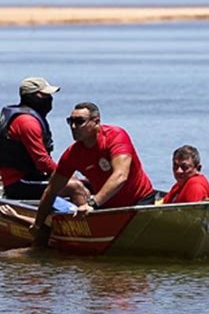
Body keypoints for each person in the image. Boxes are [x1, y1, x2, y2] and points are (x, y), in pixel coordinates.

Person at [31, 102, 154, 241]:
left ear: (96, 122)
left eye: (79, 122)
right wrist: (37, 225)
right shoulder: (73, 154)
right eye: (70, 121)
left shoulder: (116, 136)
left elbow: (120, 176)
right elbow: (52, 190)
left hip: (138, 201)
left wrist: (91, 203)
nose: (73, 127)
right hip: (107, 206)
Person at [0, 76, 87, 202]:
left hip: (33, 176)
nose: (50, 99)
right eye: (46, 95)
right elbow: (42, 161)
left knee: (89, 183)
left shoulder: (29, 117)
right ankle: (87, 219)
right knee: (75, 187)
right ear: (33, 96)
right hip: (19, 184)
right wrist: (67, 176)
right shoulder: (27, 122)